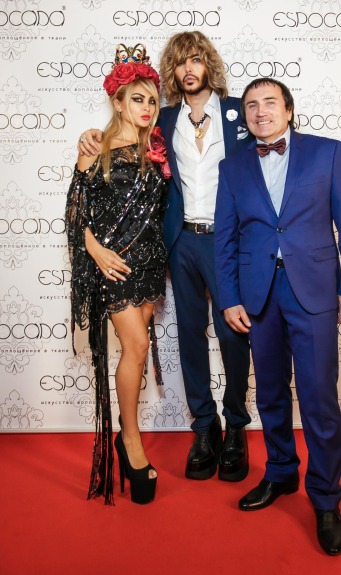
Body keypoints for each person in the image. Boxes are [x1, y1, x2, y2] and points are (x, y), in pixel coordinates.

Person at [78, 32, 254, 483]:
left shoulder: (240, 112)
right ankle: (204, 426)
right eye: (180, 62)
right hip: (181, 243)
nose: (188, 69)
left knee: (233, 335)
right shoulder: (163, 118)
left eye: (196, 59)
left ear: (208, 64)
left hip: (228, 242)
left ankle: (236, 425)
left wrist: (331, 195)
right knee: (190, 335)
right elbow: (119, 135)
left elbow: (281, 150)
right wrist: (89, 136)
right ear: (173, 72)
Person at [214, 77, 341, 556]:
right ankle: (280, 473)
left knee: (319, 398)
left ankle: (325, 498)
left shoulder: (327, 152)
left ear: (289, 110)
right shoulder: (232, 166)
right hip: (258, 295)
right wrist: (229, 297)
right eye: (251, 105)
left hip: (315, 291)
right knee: (272, 394)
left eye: (269, 103)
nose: (260, 112)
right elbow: (225, 238)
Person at [66, 43, 170, 505]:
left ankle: (128, 438)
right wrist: (96, 251)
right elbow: (76, 214)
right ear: (117, 102)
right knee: (138, 347)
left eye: (152, 100)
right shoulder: (96, 149)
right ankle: (130, 440)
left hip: (150, 263)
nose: (146, 107)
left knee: (135, 349)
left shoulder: (157, 150)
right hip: (114, 266)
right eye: (137, 99)